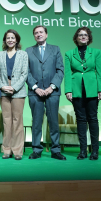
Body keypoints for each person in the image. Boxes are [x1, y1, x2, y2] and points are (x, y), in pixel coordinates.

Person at [25, 25, 66, 160]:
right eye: (36, 33)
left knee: (53, 121)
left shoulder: (55, 49)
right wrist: (35, 87)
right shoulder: (28, 51)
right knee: (36, 122)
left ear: (46, 34)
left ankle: (55, 150)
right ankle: (36, 149)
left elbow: (60, 70)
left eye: (41, 32)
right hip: (35, 92)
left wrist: (52, 87)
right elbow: (26, 72)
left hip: (52, 92)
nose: (39, 34)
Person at [64, 27, 101, 160]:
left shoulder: (96, 52)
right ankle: (82, 150)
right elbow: (67, 73)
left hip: (92, 90)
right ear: (76, 38)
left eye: (85, 35)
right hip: (76, 90)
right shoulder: (69, 54)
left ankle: (95, 151)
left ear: (89, 38)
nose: (83, 37)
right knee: (81, 120)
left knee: (93, 119)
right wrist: (68, 90)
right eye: (80, 35)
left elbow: (100, 72)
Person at [0, 29, 28, 160]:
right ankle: (6, 150)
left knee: (17, 121)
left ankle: (17, 150)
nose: (10, 40)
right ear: (5, 40)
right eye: (8, 38)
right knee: (6, 120)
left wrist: (14, 88)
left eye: (13, 38)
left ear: (17, 40)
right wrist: (3, 86)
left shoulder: (23, 54)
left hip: (18, 90)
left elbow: (24, 74)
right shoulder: (0, 54)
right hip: (3, 89)